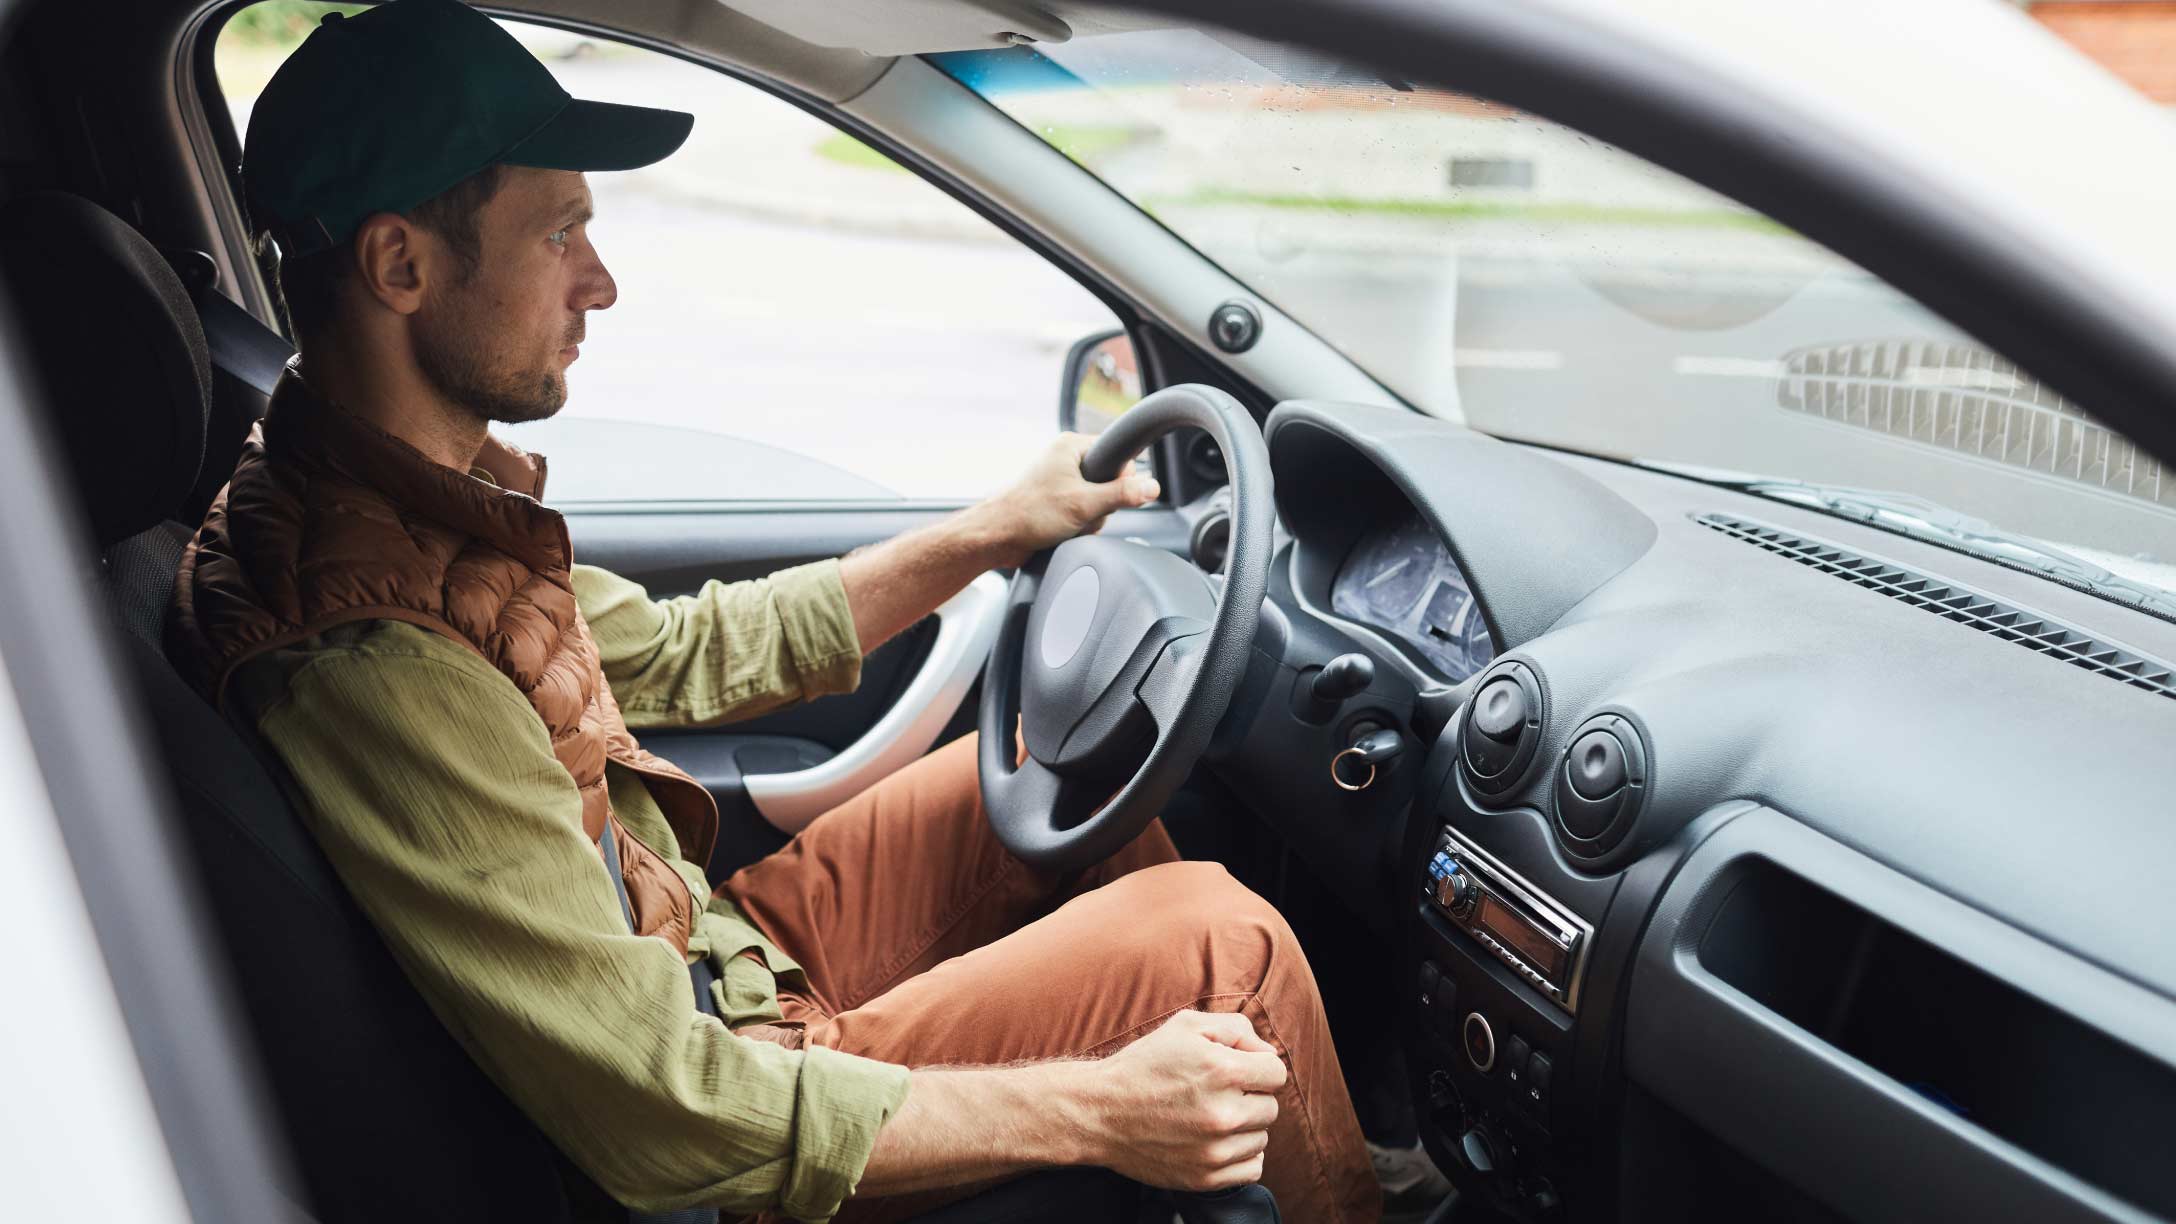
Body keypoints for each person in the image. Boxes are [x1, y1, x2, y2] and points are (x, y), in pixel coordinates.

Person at [166, 2, 1379, 1220]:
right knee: (1222, 948)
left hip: (709, 957)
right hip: (715, 1112)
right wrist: (1101, 1106)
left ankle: (1276, 1153)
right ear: (400, 266)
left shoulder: (401, 508)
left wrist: (995, 528)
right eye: (560, 232)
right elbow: (662, 1109)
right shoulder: (377, 660)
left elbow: (687, 652)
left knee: (1046, 769)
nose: (601, 284)